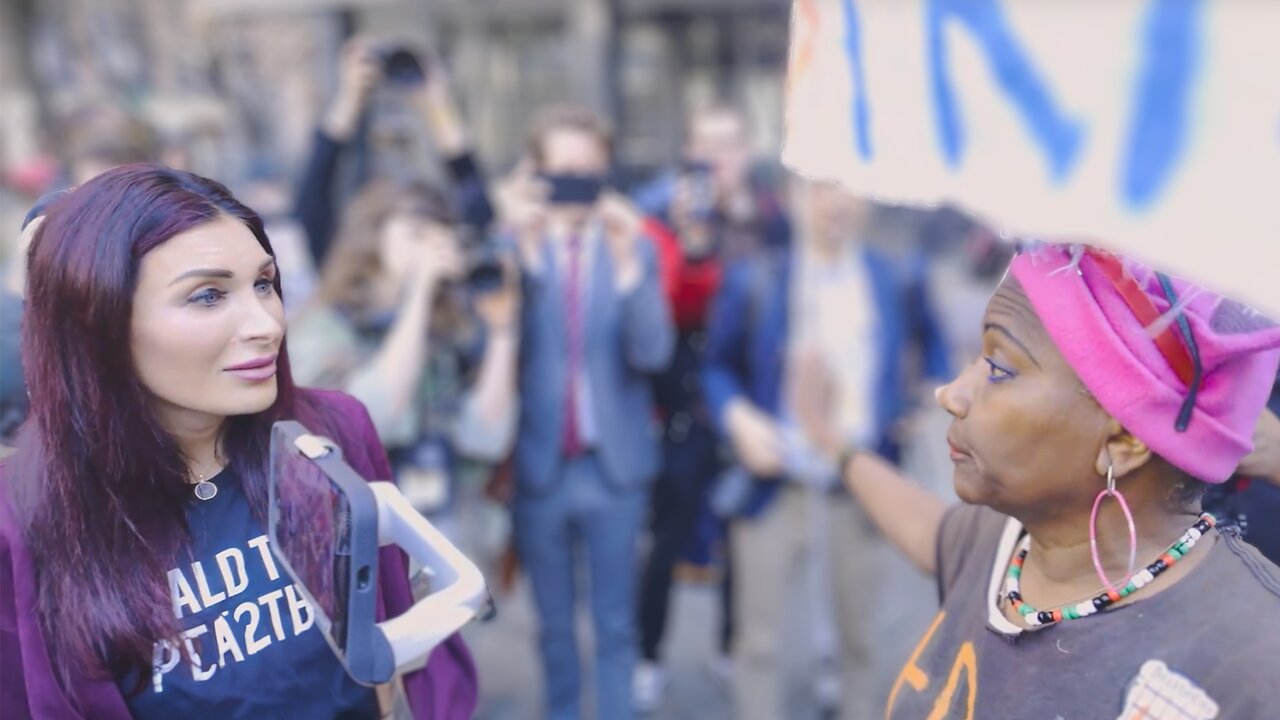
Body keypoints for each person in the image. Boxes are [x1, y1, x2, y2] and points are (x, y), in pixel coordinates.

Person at [0, 164, 477, 719]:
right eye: (207, 295)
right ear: (98, 322)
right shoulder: (24, 517)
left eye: (264, 284)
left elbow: (410, 641)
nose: (268, 324)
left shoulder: (331, 431)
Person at [792, 242, 1280, 718]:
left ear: (1125, 440)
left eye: (1000, 368)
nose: (953, 394)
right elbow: (929, 530)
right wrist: (829, 438)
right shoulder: (1004, 546)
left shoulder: (1252, 663)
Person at [702, 178, 949, 720]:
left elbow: (934, 344)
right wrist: (740, 420)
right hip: (774, 480)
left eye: (846, 188)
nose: (833, 202)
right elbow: (716, 366)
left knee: (859, 640)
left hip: (860, 482)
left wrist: (923, 399)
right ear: (792, 196)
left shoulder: (895, 276)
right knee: (758, 642)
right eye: (818, 189)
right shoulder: (758, 279)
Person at [505, 105, 675, 720]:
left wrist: (630, 265)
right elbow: (493, 352)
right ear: (539, 172)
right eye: (562, 168)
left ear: (605, 170)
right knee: (552, 629)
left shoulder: (635, 247)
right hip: (541, 465)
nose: (575, 179)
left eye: (587, 168)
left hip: (615, 469)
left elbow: (653, 352)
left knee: (615, 626)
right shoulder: (512, 248)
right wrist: (519, 260)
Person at [629, 101, 790, 711]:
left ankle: (731, 644)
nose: (719, 159)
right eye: (707, 146)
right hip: (682, 398)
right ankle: (649, 653)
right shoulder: (661, 215)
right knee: (668, 529)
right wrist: (690, 244)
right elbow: (666, 313)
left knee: (743, 526)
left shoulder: (769, 215)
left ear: (746, 152)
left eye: (729, 145)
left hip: (751, 395)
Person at [288, 179, 520, 538]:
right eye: (415, 234)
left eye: (440, 239)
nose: (429, 251)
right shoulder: (324, 328)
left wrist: (503, 329)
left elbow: (486, 438)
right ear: (371, 237)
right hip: (362, 539)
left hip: (449, 535)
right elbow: (376, 418)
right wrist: (420, 292)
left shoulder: (448, 329)